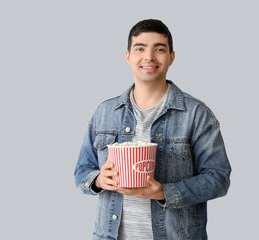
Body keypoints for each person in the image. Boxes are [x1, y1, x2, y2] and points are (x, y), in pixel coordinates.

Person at [74, 19, 232, 240]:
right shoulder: (105, 112)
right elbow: (82, 170)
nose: (149, 57)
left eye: (159, 49)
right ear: (128, 56)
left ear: (171, 57)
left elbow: (219, 178)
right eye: (140, 48)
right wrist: (99, 180)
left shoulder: (196, 113)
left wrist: (164, 192)